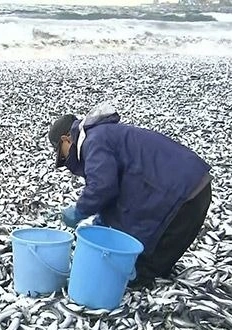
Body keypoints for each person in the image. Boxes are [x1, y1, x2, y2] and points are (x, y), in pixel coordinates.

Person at [48, 102, 212, 289]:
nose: (63, 158)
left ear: (66, 139)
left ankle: (150, 303)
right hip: (186, 187)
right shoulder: (101, 136)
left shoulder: (94, 141)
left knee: (145, 269)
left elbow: (102, 186)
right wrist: (103, 221)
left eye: (60, 152)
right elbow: (115, 190)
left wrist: (79, 211)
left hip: (184, 193)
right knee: (148, 260)